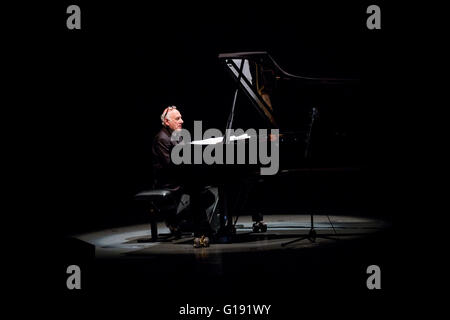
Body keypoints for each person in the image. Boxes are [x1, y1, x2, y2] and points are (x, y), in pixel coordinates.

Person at [152, 106, 212, 247]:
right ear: (167, 122)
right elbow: (170, 166)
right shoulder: (162, 138)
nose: (182, 121)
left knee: (207, 194)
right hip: (168, 181)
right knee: (199, 191)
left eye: (181, 118)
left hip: (180, 175)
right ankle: (196, 229)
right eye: (177, 118)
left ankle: (190, 225)